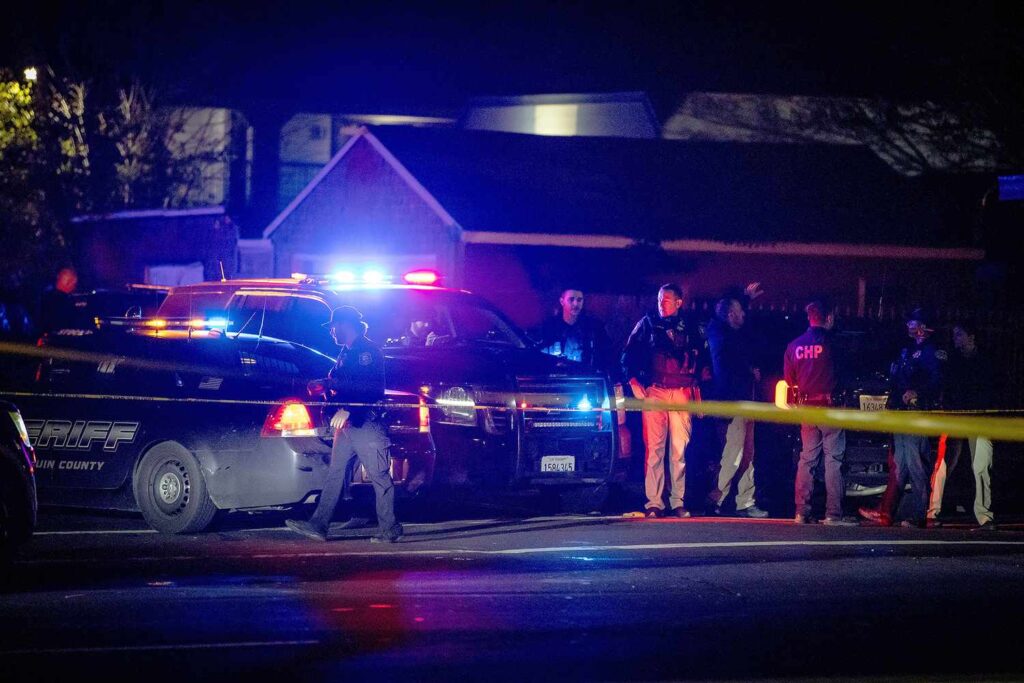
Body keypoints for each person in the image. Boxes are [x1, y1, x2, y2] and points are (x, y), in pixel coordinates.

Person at [287, 306, 403, 543]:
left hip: (366, 423)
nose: (331, 332)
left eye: (333, 326)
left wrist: (349, 409)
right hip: (348, 425)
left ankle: (389, 528)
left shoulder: (367, 352)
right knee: (336, 473)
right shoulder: (347, 353)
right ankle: (318, 525)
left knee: (379, 476)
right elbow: (344, 381)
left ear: (344, 324)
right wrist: (324, 383)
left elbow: (371, 388)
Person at [621, 284, 709, 517]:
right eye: (659, 299)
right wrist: (633, 382)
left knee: (679, 450)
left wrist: (699, 392)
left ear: (679, 302)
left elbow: (705, 361)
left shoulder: (692, 326)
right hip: (655, 391)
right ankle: (654, 502)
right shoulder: (647, 324)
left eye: (667, 300)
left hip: (682, 392)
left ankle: (678, 501)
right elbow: (627, 356)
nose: (661, 304)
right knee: (654, 449)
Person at [860, 309, 946, 528]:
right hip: (900, 411)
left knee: (916, 464)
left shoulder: (932, 351)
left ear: (923, 326)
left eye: (913, 322)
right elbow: (898, 378)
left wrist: (919, 393)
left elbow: (937, 380)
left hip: (916, 412)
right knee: (900, 464)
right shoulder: (907, 349)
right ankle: (887, 512)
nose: (909, 326)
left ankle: (920, 514)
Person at [785, 301, 857, 525]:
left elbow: (789, 379)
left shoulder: (794, 345)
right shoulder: (834, 343)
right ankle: (833, 514)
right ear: (829, 318)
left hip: (807, 408)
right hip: (830, 408)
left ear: (810, 318)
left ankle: (801, 512)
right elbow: (846, 374)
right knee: (833, 459)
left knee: (807, 459)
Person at [705, 290, 769, 518]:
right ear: (730, 315)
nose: (744, 315)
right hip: (730, 403)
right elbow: (731, 357)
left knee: (747, 455)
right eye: (740, 311)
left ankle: (744, 502)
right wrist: (744, 297)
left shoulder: (731, 334)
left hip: (744, 401)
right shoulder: (718, 332)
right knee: (733, 455)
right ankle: (715, 499)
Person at [927, 323, 996, 530]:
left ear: (971, 337)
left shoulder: (985, 361)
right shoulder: (952, 361)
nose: (955, 338)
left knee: (982, 465)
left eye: (959, 334)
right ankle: (932, 512)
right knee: (944, 464)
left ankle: (984, 516)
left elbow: (991, 389)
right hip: (954, 417)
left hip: (979, 419)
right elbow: (945, 387)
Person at [537, 287, 613, 374]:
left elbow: (607, 353)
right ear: (562, 301)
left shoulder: (594, 327)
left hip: (586, 378)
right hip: (556, 377)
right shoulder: (549, 326)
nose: (576, 304)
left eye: (579, 300)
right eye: (571, 299)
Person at [38, 266, 78, 334]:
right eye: (74, 284)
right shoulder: (66, 302)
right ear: (69, 282)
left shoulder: (44, 296)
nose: (74, 287)